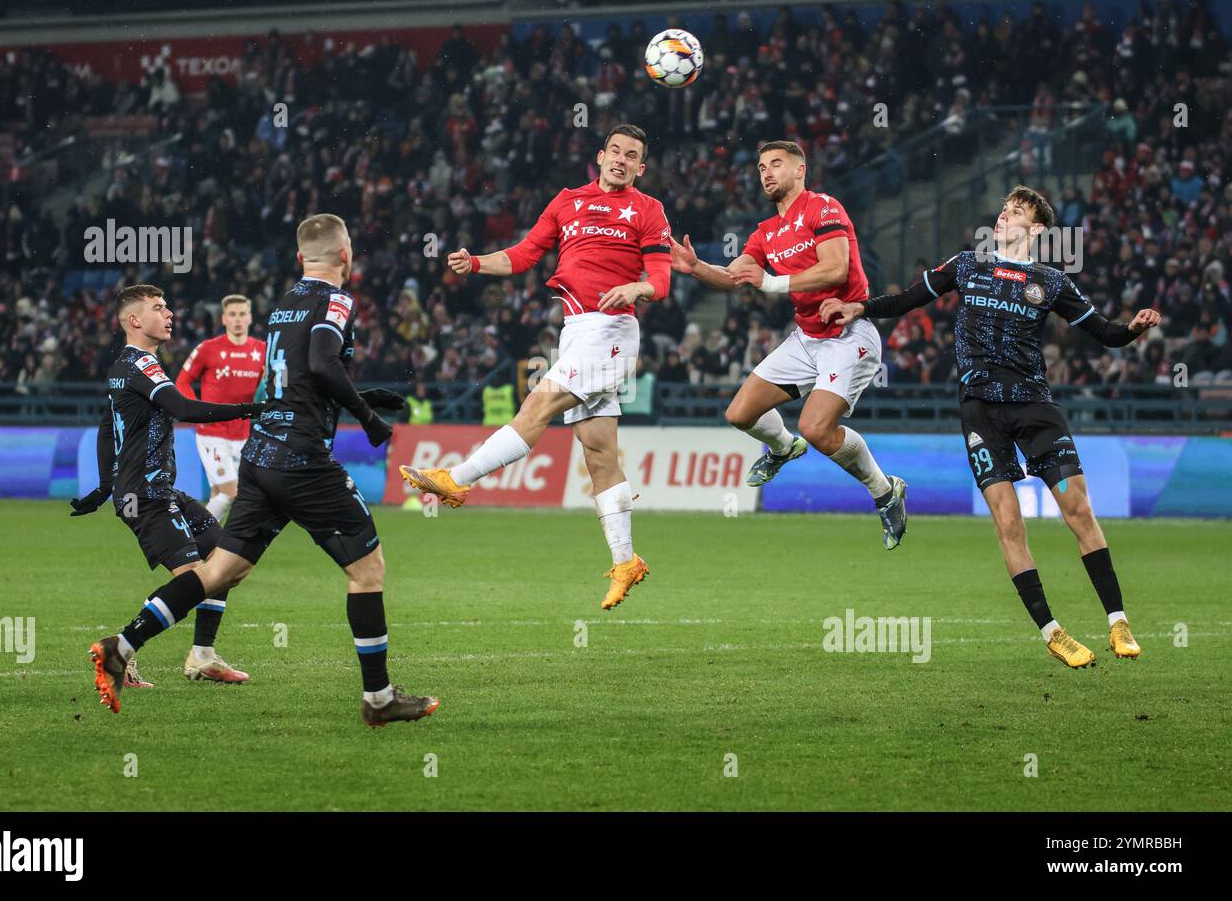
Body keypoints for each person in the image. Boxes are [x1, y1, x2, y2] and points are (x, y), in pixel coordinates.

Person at [89, 215, 436, 726]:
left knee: (221, 571)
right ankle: (379, 698)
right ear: (346, 255)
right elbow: (321, 361)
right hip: (304, 463)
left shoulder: (283, 307)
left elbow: (298, 379)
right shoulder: (336, 300)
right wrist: (366, 419)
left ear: (301, 258)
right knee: (367, 571)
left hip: (260, 458)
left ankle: (121, 645)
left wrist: (357, 396)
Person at [820, 186, 1161, 667]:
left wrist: (1134, 328)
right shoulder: (966, 266)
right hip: (980, 410)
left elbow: (1104, 333)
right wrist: (861, 308)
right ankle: (1052, 631)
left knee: (1079, 510)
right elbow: (908, 299)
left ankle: (1118, 621)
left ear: (1037, 229)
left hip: (1035, 408)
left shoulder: (1051, 282)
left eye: (1016, 211)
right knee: (1007, 520)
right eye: (1003, 209)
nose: (1003, 215)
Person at [399, 124, 673, 610]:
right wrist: (477, 262)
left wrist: (638, 289)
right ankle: (626, 560)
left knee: (538, 403)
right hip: (576, 330)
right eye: (615, 151)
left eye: (632, 156)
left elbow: (662, 278)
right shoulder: (568, 200)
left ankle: (458, 478)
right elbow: (526, 254)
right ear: (601, 154)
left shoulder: (647, 209)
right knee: (600, 453)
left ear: (640, 167)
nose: (621, 160)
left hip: (612, 330)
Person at [671, 140, 907, 549]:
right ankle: (782, 448)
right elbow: (735, 276)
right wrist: (695, 268)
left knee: (816, 427)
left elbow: (837, 268)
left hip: (849, 334)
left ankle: (885, 491)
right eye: (761, 166)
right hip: (807, 337)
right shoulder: (765, 232)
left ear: (800, 170)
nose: (765, 172)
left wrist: (773, 283)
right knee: (740, 413)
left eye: (776, 164)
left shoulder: (824, 207)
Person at [70, 284, 262, 685]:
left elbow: (108, 428)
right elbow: (183, 408)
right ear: (134, 320)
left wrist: (105, 486)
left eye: (168, 307)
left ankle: (203, 656)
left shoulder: (127, 367)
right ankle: (121, 649)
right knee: (196, 575)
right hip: (145, 495)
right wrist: (252, 409)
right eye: (159, 308)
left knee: (227, 563)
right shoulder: (140, 365)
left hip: (157, 490)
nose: (170, 314)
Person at [175, 294, 267, 523]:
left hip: (243, 435)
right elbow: (182, 382)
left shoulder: (262, 351)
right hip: (212, 433)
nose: (238, 319)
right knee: (230, 492)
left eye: (242, 314)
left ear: (250, 318)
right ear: (224, 319)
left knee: (220, 495)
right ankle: (194, 540)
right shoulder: (208, 349)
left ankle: (207, 549)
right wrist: (195, 412)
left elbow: (269, 389)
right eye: (233, 314)